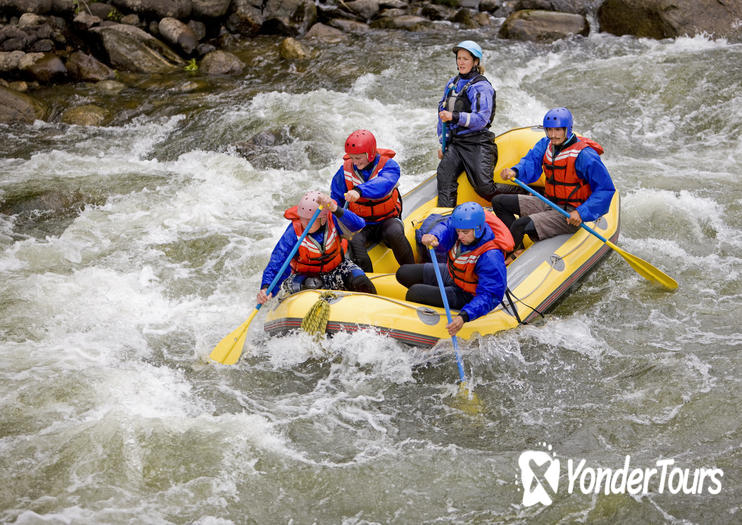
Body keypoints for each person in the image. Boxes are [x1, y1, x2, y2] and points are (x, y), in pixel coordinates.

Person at [493, 107, 616, 261]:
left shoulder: (585, 155)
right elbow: (530, 161)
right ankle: (518, 248)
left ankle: (507, 257)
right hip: (549, 202)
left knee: (521, 224)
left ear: (568, 129)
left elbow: (605, 189)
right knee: (499, 202)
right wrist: (515, 171)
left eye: (558, 130)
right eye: (549, 130)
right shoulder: (546, 145)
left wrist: (581, 213)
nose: (552, 135)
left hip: (570, 214)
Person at [395, 202, 507, 336]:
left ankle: (428, 312)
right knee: (403, 273)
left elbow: (491, 295)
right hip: (453, 275)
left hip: (468, 295)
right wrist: (434, 236)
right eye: (458, 231)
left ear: (478, 229)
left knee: (414, 293)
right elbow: (447, 227)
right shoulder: (463, 230)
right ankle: (433, 300)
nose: (460, 236)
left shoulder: (491, 257)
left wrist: (464, 316)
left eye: (464, 232)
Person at [256, 191, 376, 305]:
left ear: (322, 219)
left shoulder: (333, 220)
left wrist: (334, 208)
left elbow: (359, 225)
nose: (304, 223)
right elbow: (278, 262)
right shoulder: (293, 232)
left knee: (361, 281)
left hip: (336, 268)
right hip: (304, 275)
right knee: (312, 284)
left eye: (309, 220)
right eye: (302, 218)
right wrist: (267, 287)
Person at [330, 129, 415, 273]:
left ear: (369, 154)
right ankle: (368, 282)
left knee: (395, 233)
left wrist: (359, 191)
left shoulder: (389, 165)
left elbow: (384, 184)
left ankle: (413, 273)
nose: (355, 163)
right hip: (360, 223)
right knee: (355, 243)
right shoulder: (344, 171)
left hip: (387, 220)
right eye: (352, 158)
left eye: (358, 158)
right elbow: (336, 199)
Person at [436, 40, 498, 208]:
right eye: (459, 58)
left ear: (475, 62)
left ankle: (523, 197)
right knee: (444, 176)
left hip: (478, 142)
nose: (461, 62)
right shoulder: (452, 83)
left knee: (483, 186)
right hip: (457, 143)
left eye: (465, 59)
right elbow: (442, 113)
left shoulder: (482, 87)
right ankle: (444, 221)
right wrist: (444, 143)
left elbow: (481, 120)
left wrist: (454, 116)